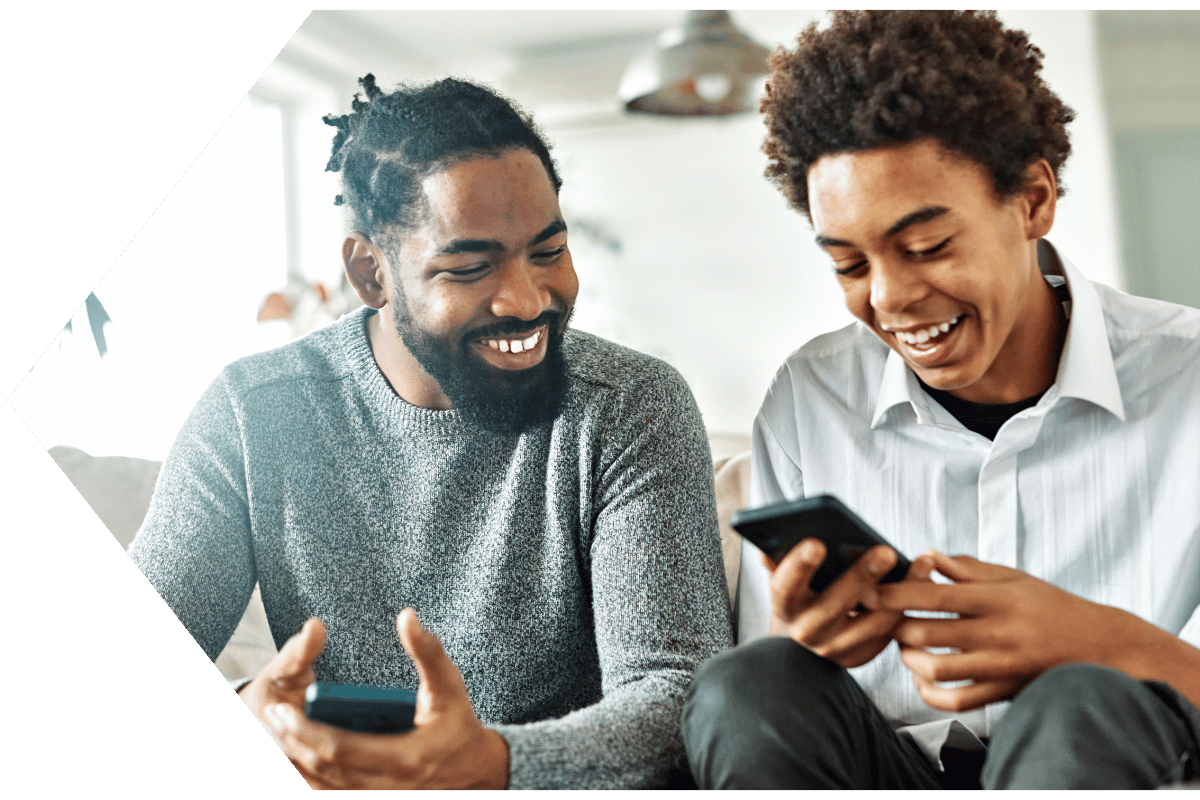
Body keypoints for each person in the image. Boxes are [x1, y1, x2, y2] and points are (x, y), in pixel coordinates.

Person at [129, 75, 732, 790]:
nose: (528, 299)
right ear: (370, 274)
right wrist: (252, 718)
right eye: (470, 267)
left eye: (548, 251)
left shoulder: (631, 405)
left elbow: (676, 697)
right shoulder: (252, 413)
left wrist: (491, 765)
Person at [681, 9, 1200, 791]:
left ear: (1032, 199)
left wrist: (1094, 637)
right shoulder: (810, 397)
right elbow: (779, 695)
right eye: (850, 264)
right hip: (893, 765)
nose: (890, 298)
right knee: (747, 684)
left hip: (1113, 763)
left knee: (1080, 701)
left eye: (927, 247)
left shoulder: (1189, 380)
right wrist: (808, 639)